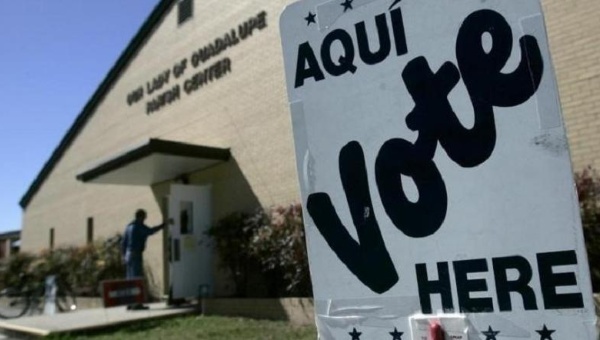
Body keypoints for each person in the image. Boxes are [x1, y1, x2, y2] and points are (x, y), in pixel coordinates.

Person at [121, 209, 167, 310]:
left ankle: (130, 303)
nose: (145, 219)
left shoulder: (129, 227)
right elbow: (150, 231)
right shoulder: (138, 226)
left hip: (128, 255)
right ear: (141, 217)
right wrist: (163, 226)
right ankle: (137, 304)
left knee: (129, 280)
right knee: (137, 279)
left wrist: (123, 256)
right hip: (135, 254)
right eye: (144, 217)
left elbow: (123, 242)